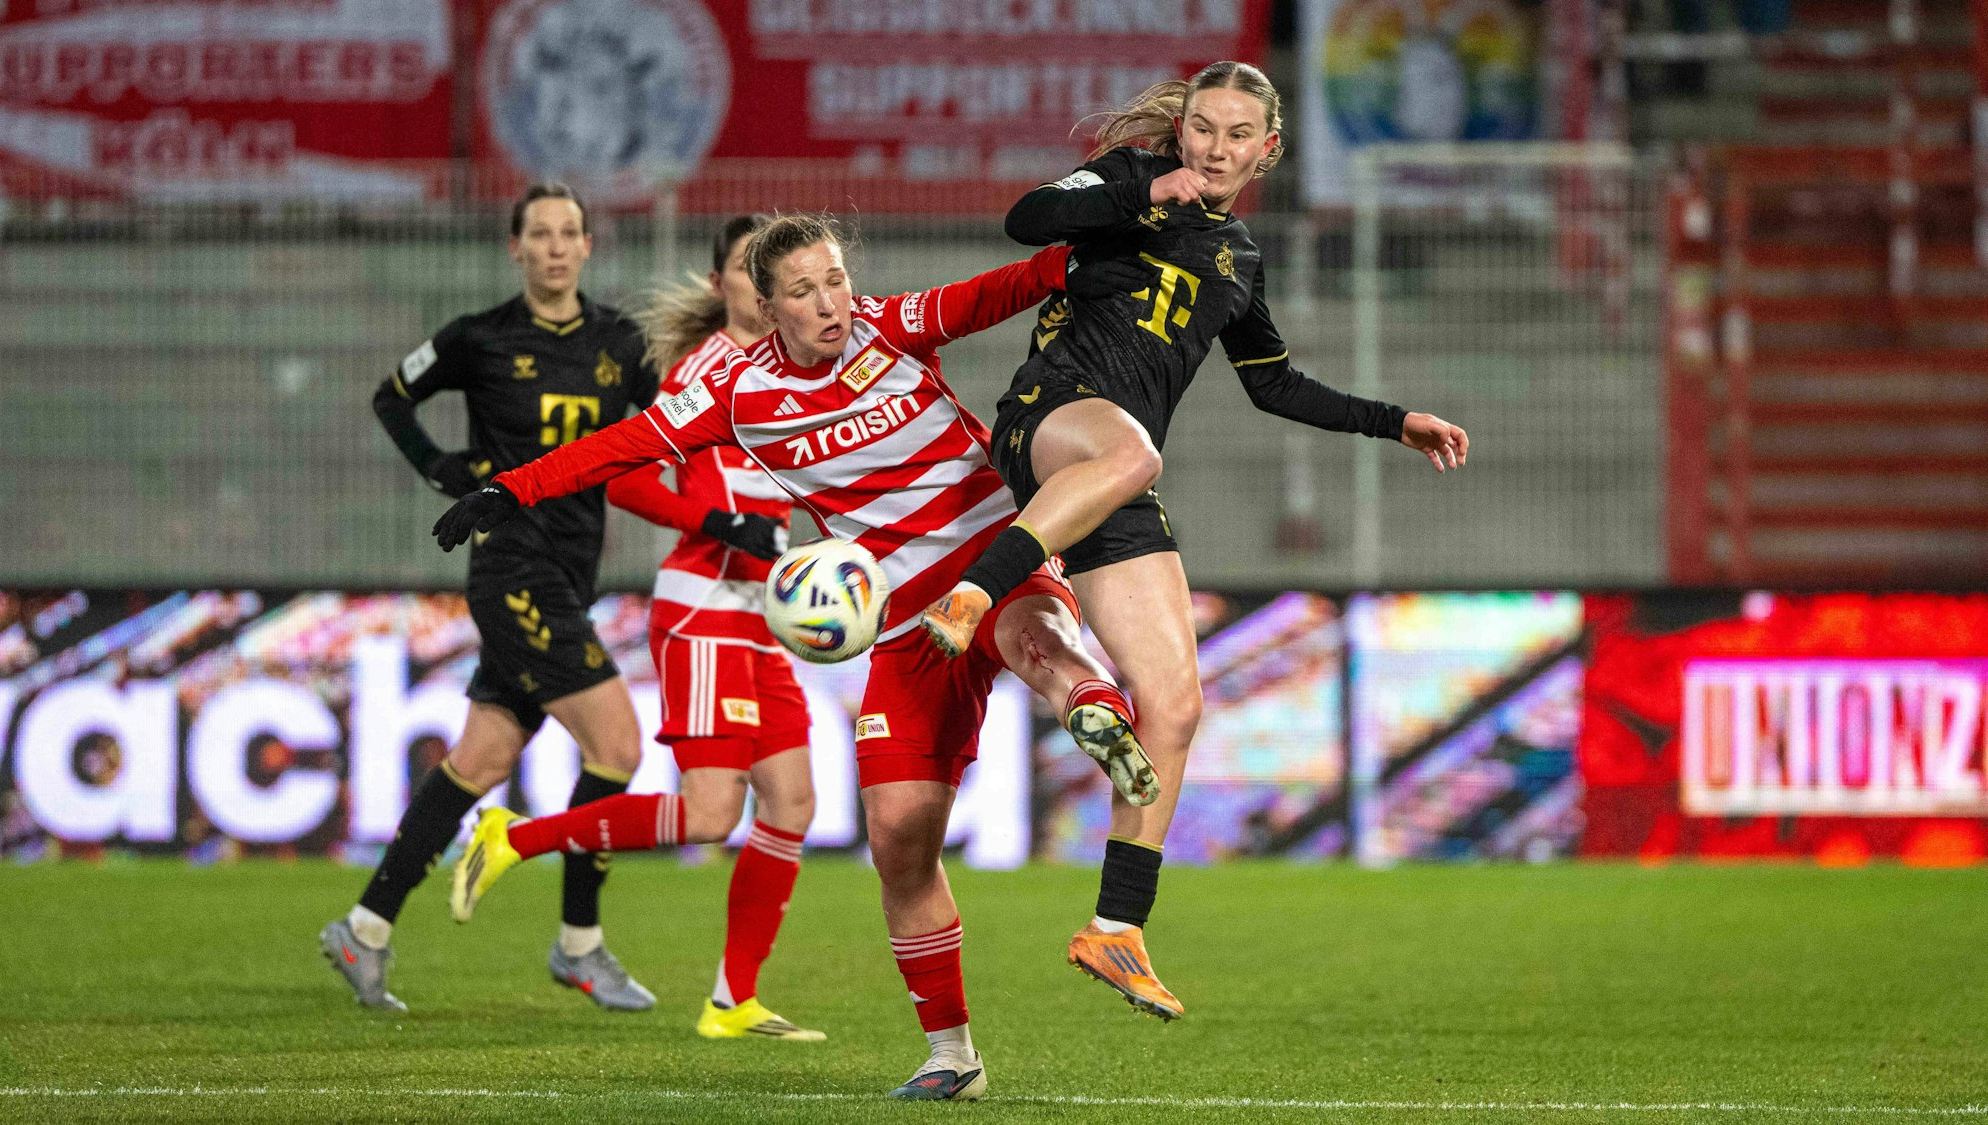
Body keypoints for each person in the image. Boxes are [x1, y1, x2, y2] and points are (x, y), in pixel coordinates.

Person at [432, 212, 1155, 1101]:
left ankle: (1098, 708)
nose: (831, 303)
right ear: (767, 305)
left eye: (837, 280)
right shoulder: (735, 394)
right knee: (896, 839)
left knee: (1037, 641)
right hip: (899, 624)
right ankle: (952, 1057)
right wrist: (510, 487)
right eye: (806, 291)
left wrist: (1084, 255)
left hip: (992, 559)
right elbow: (621, 448)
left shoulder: (893, 324)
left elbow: (996, 292)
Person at [919, 62, 1471, 1022]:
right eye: (1203, 128)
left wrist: (1396, 420)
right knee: (1136, 456)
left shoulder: (1241, 259)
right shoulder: (1126, 177)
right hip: (1050, 420)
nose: (1215, 148)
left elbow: (1275, 384)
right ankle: (976, 589)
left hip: (1117, 472)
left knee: (1174, 707)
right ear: (1181, 134)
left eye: (1236, 134)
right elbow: (1027, 219)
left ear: (1269, 150)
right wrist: (1143, 190)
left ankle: (1117, 930)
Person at [321, 183, 660, 1013]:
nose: (553, 245)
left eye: (568, 232)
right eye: (539, 232)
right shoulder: (479, 339)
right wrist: (441, 467)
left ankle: (363, 928)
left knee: (481, 759)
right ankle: (579, 943)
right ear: (516, 247)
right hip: (512, 567)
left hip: (574, 572)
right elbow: (391, 397)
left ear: (588, 246)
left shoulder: (621, 341)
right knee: (617, 743)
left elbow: (672, 425)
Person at [597, 214, 824, 1041]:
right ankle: (516, 835)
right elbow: (623, 480)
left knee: (793, 803)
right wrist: (720, 523)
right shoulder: (704, 371)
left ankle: (733, 1000)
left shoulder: (791, 371)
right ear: (725, 284)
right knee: (706, 817)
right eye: (744, 267)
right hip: (703, 607)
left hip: (762, 615)